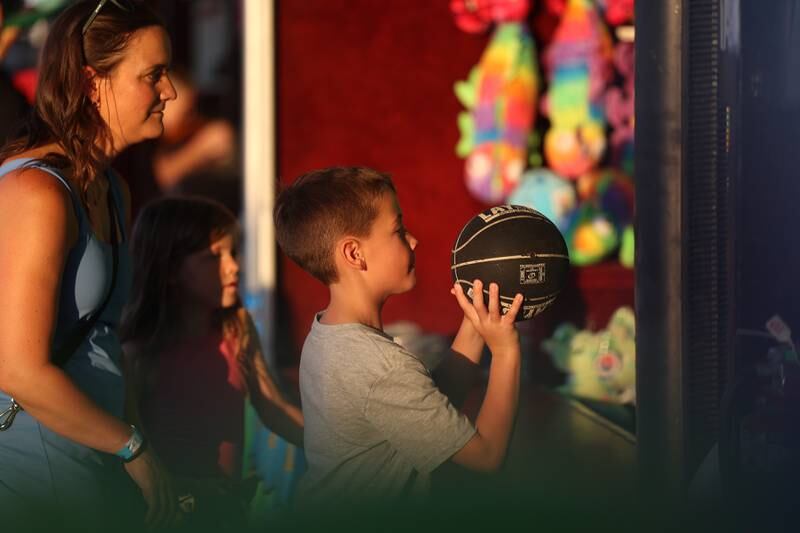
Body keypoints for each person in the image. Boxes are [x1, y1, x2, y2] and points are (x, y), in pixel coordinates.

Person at [0, 1, 179, 531]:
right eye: (153, 75)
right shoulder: (37, 192)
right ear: (90, 82)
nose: (169, 92)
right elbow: (17, 368)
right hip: (35, 470)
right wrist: (134, 449)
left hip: (90, 460)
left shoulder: (112, 188)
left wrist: (143, 454)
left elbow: (104, 347)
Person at [273, 166, 524, 511]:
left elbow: (427, 409)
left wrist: (474, 323)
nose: (414, 240)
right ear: (354, 254)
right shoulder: (379, 365)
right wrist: (506, 352)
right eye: (399, 230)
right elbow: (486, 456)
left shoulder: (326, 334)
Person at [121, 195, 304, 530]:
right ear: (171, 269)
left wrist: (338, 446)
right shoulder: (135, 352)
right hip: (169, 515)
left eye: (232, 252)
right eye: (213, 257)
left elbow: (272, 404)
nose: (234, 266)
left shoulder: (237, 329)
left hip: (228, 511)